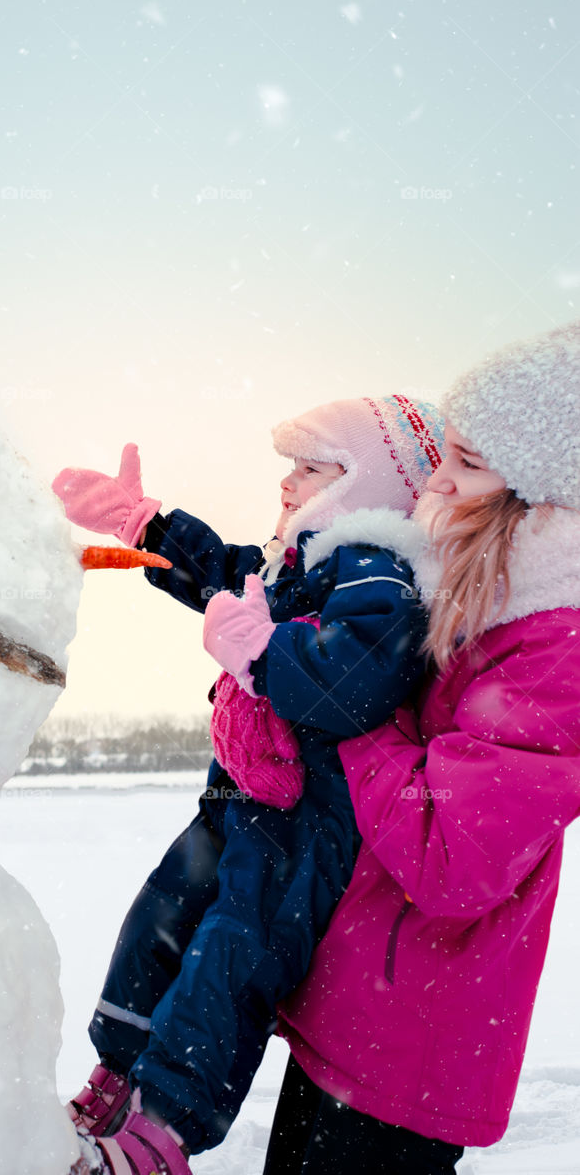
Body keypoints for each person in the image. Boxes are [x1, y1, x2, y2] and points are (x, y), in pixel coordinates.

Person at [51, 395, 444, 1175]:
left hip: (302, 819)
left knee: (232, 954)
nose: (289, 483)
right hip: (235, 797)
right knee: (159, 920)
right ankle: (118, 1072)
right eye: (289, 467)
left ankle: (162, 1129)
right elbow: (228, 575)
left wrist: (265, 652)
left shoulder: (376, 565)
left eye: (312, 467)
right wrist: (147, 526)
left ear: (370, 482)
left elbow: (360, 676)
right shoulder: (301, 561)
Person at [264, 322, 580, 1175]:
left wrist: (352, 702)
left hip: (412, 1048)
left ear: (545, 497)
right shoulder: (473, 606)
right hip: (357, 1008)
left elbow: (449, 858)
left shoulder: (558, 652)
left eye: (468, 461)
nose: (437, 478)